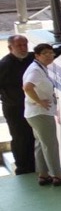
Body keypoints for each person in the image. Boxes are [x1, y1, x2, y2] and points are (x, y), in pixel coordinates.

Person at [23, 43, 61, 186]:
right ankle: (58, 176)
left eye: (51, 52)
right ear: (37, 56)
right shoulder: (35, 70)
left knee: (41, 144)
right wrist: (39, 102)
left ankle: (44, 175)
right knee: (50, 145)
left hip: (35, 114)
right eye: (45, 53)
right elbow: (27, 87)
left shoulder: (40, 68)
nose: (49, 55)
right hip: (40, 114)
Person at [0, 34, 37, 175]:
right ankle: (22, 168)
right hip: (14, 108)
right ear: (10, 48)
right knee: (20, 138)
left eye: (25, 45)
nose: (23, 48)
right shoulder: (4, 65)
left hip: (31, 106)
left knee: (33, 136)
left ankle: (34, 166)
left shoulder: (31, 58)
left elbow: (49, 53)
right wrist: (8, 98)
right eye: (19, 46)